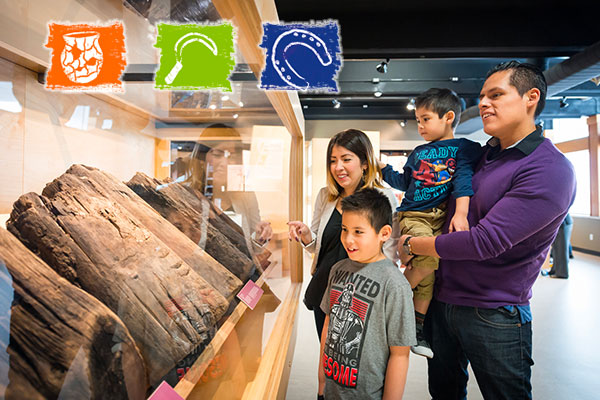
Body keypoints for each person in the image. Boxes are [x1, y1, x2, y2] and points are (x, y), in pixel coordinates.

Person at [398, 61, 576, 399]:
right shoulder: (480, 156)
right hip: (441, 301)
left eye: (496, 95)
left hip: (493, 312)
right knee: (445, 393)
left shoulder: (549, 169)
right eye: (481, 96)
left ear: (531, 98)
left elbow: (485, 242)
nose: (483, 104)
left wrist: (412, 243)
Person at [378, 88, 482, 358]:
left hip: (441, 217)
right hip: (415, 215)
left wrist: (461, 213)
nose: (420, 126)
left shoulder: (464, 148)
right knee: (428, 262)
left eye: (425, 119)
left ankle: (417, 327)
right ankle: (389, 300)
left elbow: (462, 180)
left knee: (429, 278)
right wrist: (384, 170)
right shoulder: (418, 152)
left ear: (448, 117)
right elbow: (406, 182)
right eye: (417, 120)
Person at [287, 129, 399, 340]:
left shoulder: (382, 197)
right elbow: (320, 245)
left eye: (346, 159)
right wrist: (306, 235)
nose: (338, 167)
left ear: (365, 162)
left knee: (359, 359)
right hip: (325, 288)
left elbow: (391, 251)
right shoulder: (326, 196)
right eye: (333, 160)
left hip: (362, 295)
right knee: (328, 356)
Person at [317, 188, 415, 399]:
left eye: (358, 232)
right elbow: (328, 325)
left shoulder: (395, 285)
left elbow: (400, 354)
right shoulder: (337, 269)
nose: (348, 239)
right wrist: (321, 384)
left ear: (384, 233)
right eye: (344, 229)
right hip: (332, 390)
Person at [185, 123, 272, 251]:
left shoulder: (246, 196)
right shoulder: (185, 194)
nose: (225, 163)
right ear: (202, 158)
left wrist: (261, 235)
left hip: (238, 269)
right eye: (217, 155)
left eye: (231, 157)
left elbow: (256, 250)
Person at [542, 213, 573, 279]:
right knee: (556, 249)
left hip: (563, 224)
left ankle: (562, 274)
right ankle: (554, 270)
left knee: (561, 251)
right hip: (562, 223)